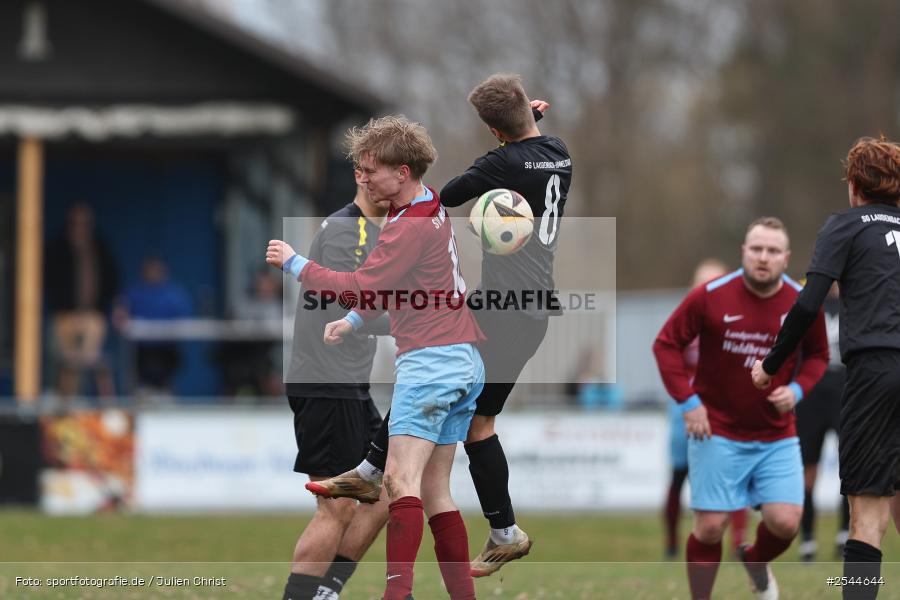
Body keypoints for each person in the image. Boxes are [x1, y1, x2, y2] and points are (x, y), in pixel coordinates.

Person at [309, 73, 569, 578]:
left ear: (493, 130)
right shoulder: (558, 151)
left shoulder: (500, 161)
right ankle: (378, 473)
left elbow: (448, 192)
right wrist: (525, 124)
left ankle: (503, 530)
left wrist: (499, 155)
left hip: (504, 307)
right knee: (459, 395)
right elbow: (525, 147)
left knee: (465, 405)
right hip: (534, 305)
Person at [267, 115, 484, 600]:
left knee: (393, 486)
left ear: (401, 173)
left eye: (369, 168)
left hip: (424, 363)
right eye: (359, 169)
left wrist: (295, 263)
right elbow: (380, 295)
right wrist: (356, 321)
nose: (361, 176)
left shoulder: (396, 226)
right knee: (402, 493)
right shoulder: (430, 204)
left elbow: (362, 287)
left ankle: (376, 595)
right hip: (343, 378)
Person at [752, 136, 900, 600]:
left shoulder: (847, 225)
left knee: (868, 517)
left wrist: (771, 364)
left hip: (877, 370)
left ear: (855, 185)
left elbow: (807, 304)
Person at [654, 217, 829, 600]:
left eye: (772, 251)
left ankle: (756, 560)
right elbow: (665, 344)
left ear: (786, 257)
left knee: (785, 523)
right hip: (717, 429)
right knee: (710, 528)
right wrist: (688, 402)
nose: (763, 257)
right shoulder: (710, 294)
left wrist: (798, 389)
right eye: (756, 249)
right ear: (743, 253)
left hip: (775, 433)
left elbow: (818, 355)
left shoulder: (803, 302)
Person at [276, 168, 392, 600]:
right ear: (365, 178)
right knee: (337, 505)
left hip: (348, 386)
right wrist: (413, 319)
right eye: (397, 174)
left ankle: (326, 591)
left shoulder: (365, 232)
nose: (404, 184)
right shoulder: (351, 232)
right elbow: (345, 303)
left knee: (386, 490)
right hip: (327, 383)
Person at [662, 258, 749, 559]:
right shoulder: (685, 318)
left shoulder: (738, 318)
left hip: (726, 408)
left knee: (734, 476)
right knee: (679, 475)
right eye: (704, 282)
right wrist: (687, 398)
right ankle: (672, 545)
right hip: (687, 409)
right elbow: (668, 355)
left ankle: (739, 542)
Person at [795, 282, 851, 562]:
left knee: (852, 468)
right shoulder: (806, 302)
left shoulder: (858, 298)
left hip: (847, 394)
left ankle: (844, 536)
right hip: (811, 398)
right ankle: (807, 541)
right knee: (807, 472)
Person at [45, 203, 119, 398]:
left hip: (93, 314)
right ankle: (65, 403)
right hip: (65, 314)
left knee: (92, 357)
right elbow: (48, 282)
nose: (81, 228)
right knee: (68, 360)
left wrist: (105, 307)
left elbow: (113, 280)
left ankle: (108, 408)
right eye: (76, 224)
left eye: (85, 224)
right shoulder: (58, 250)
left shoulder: (99, 248)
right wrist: (62, 308)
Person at [118, 257, 192, 395]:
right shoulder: (134, 292)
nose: (153, 273)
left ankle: (165, 390)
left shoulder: (174, 293)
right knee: (142, 364)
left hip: (166, 346)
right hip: (142, 347)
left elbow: (184, 317)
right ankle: (143, 392)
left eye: (156, 270)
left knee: (169, 361)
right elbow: (121, 313)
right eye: (150, 270)